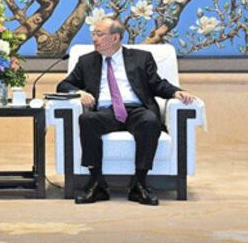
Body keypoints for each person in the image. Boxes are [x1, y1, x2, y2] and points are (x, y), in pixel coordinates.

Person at [57, 17, 197, 206]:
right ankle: (97, 183)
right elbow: (64, 85)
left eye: (99, 34)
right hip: (107, 111)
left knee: (150, 121)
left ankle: (139, 184)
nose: (94, 39)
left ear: (115, 38)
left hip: (136, 109)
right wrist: (79, 92)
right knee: (87, 119)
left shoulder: (140, 58)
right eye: (93, 34)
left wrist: (176, 92)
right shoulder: (87, 61)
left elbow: (157, 84)